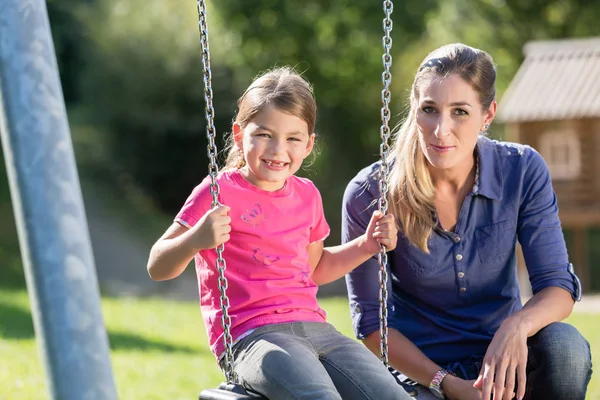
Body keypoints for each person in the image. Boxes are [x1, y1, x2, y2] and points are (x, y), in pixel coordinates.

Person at [343, 43, 592, 400]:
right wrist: (447, 384)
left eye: (460, 111)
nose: (441, 130)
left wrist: (517, 325)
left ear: (488, 114)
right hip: (419, 376)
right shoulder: (371, 192)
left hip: (506, 361)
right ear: (414, 109)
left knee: (566, 349)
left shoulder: (521, 170)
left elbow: (557, 287)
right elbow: (372, 325)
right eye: (429, 110)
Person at [147, 66, 412, 400]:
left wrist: (366, 245)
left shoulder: (307, 195)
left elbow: (316, 268)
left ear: (308, 144)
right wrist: (197, 239)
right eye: (264, 134)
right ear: (240, 133)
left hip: (318, 331)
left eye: (292, 139)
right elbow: (157, 266)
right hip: (253, 336)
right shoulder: (217, 191)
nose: (277, 150)